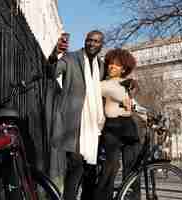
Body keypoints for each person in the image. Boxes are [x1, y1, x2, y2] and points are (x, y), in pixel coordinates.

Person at [47, 30, 106, 200]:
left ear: (101, 45)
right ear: (85, 41)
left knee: (85, 171)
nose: (92, 44)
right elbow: (51, 73)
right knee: (76, 166)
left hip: (92, 127)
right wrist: (56, 53)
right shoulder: (70, 58)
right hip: (72, 125)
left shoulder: (101, 66)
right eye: (89, 40)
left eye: (96, 41)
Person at [93, 48, 140, 200]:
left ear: (124, 68)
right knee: (110, 167)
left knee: (132, 167)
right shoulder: (103, 84)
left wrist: (148, 118)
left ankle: (132, 197)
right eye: (110, 64)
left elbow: (135, 105)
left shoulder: (128, 84)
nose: (111, 67)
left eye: (116, 65)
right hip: (112, 127)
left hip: (129, 125)